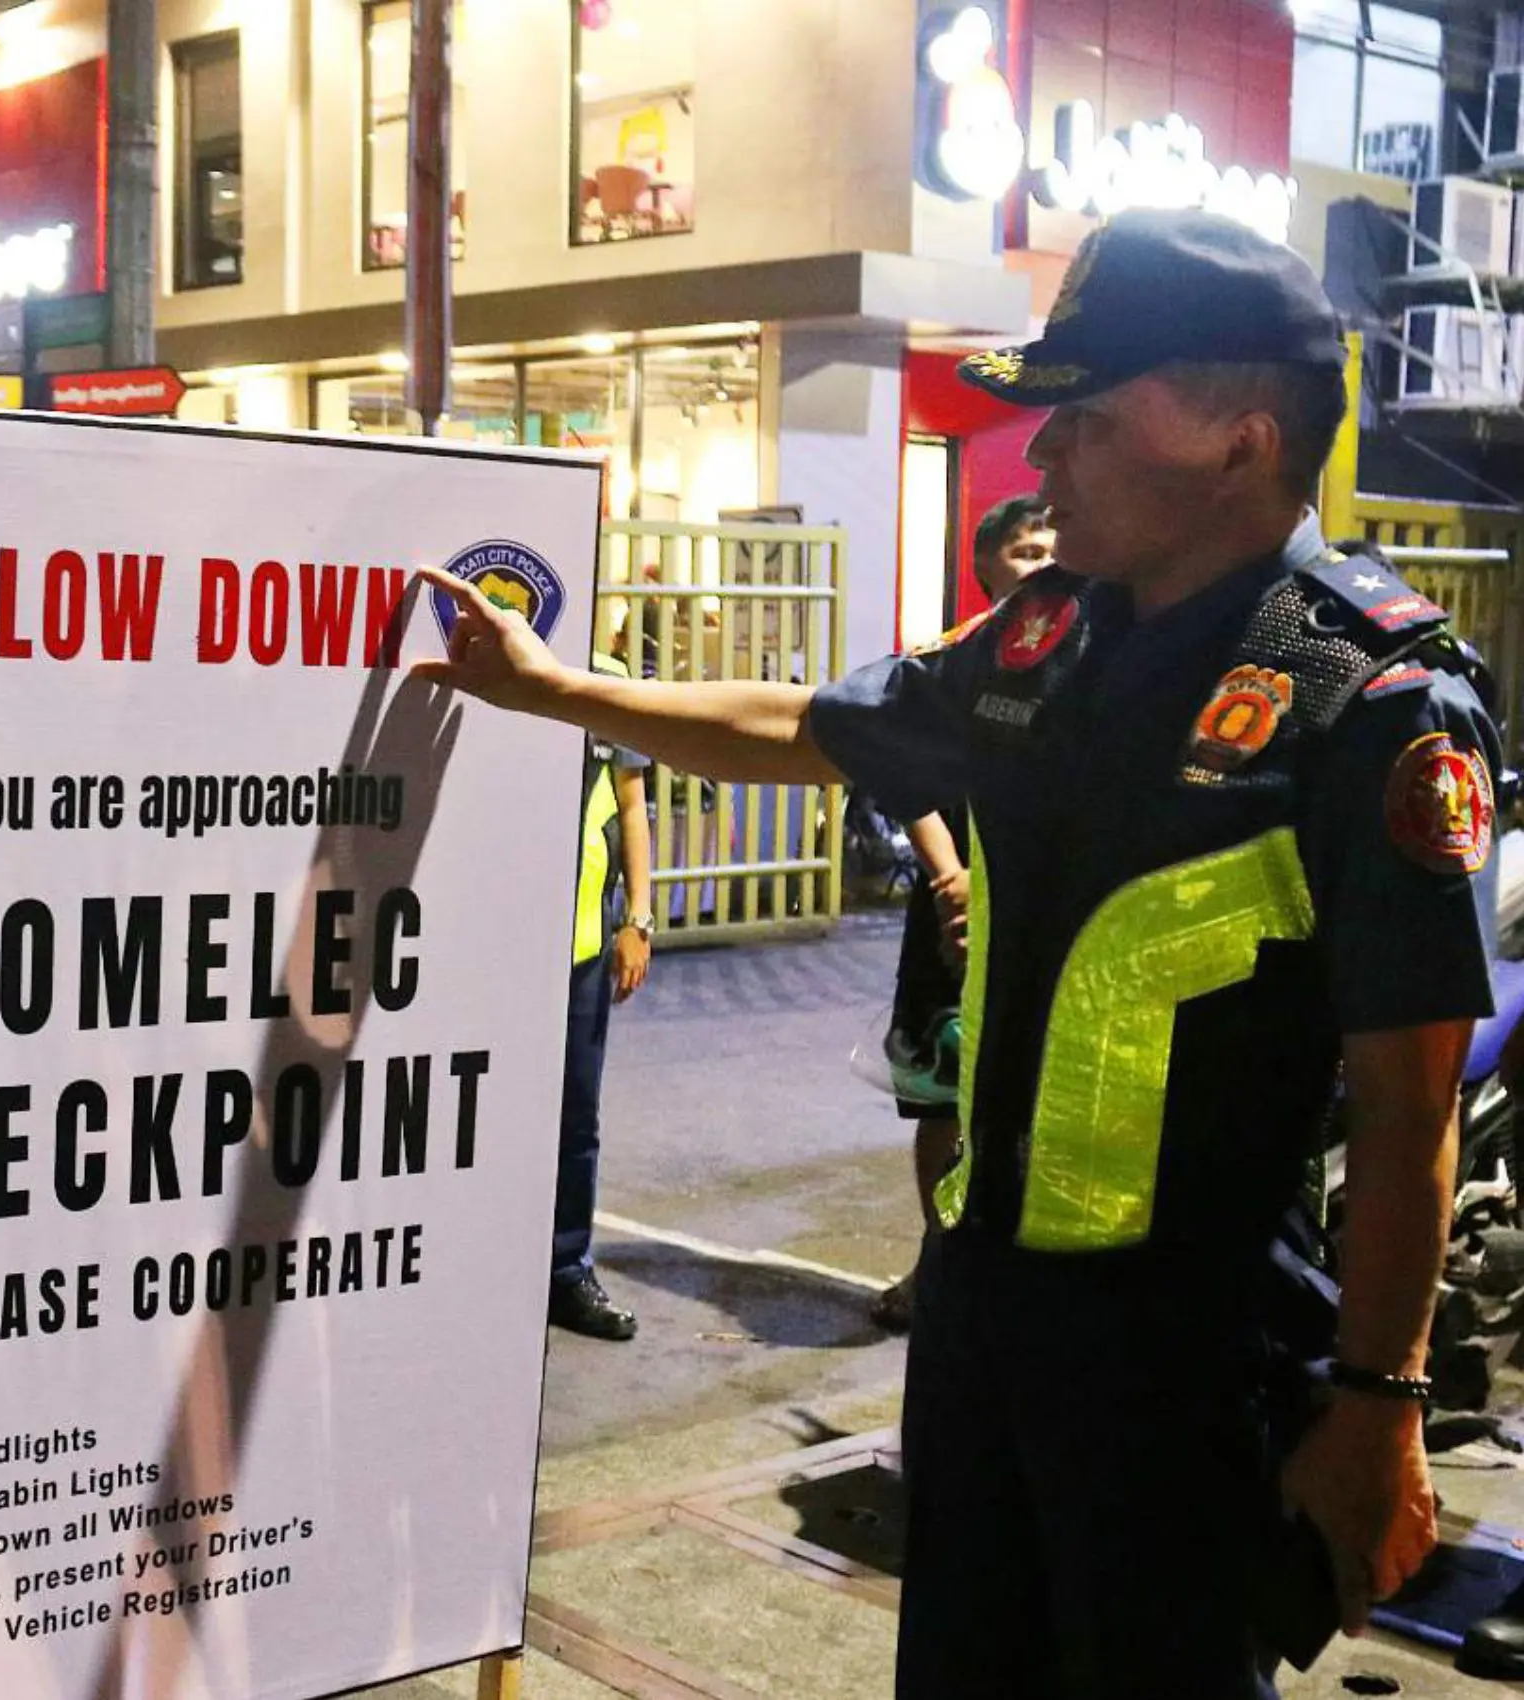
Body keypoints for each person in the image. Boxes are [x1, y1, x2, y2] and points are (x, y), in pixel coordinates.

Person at [417, 208, 1498, 1696]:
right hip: (985, 1316)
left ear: (1243, 443)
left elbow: (1411, 1106)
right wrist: (550, 692)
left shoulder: (1367, 700)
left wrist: (1379, 1412)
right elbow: (809, 727)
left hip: (1188, 1360)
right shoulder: (1045, 640)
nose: (1043, 460)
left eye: (1090, 419)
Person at [870, 495, 1055, 1332]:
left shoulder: (1091, 667)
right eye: (1022, 551)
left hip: (1048, 918)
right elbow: (903, 774)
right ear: (984, 566)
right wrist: (952, 882)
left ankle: (1012, 1275)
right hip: (951, 915)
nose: (1039, 563)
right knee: (942, 1100)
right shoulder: (951, 663)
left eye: (1049, 548)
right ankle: (936, 1261)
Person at [550, 644, 654, 1340]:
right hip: (491, 949)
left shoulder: (606, 678)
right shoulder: (483, 653)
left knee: (574, 1122)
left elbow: (630, 800)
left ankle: (564, 1271)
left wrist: (638, 917)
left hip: (583, 943)